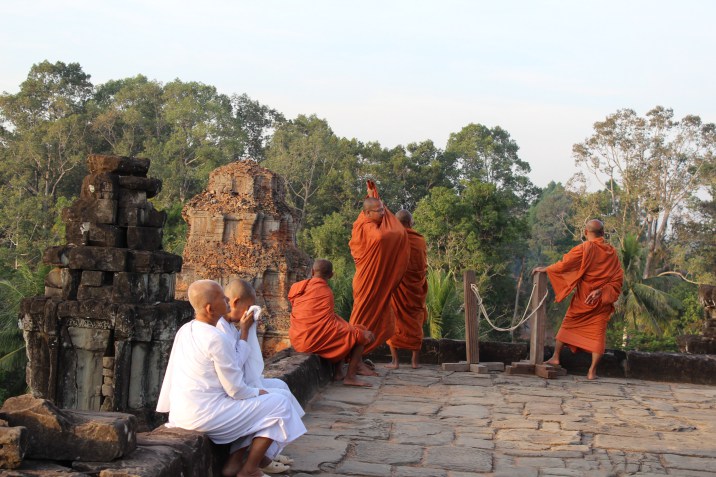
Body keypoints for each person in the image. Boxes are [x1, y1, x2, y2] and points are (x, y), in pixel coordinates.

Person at [157, 280, 306, 477]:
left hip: (182, 413)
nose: (227, 301)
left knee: (267, 401)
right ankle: (250, 470)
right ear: (210, 308)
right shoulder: (215, 337)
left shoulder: (186, 329)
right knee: (279, 403)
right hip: (205, 415)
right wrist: (259, 392)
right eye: (222, 298)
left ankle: (237, 464)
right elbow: (235, 389)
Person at [218, 279, 304, 474]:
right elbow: (236, 368)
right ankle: (250, 465)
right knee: (278, 402)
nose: (250, 312)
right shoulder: (218, 330)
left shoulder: (230, 324)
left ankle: (260, 455)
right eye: (248, 307)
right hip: (224, 394)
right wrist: (246, 330)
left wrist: (244, 328)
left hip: (233, 386)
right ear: (235, 302)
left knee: (280, 387)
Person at [533, 219, 624, 380]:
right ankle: (592, 371)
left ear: (585, 232)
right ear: (602, 233)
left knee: (568, 323)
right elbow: (617, 278)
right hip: (601, 300)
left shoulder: (585, 248)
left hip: (584, 298)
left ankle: (555, 357)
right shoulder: (611, 251)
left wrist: (547, 269)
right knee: (598, 334)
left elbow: (564, 265)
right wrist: (601, 291)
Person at [349, 180, 410, 375]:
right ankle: (353, 361)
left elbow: (388, 223)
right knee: (361, 320)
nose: (384, 214)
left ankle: (358, 358)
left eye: (383, 210)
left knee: (372, 320)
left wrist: (373, 194)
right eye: (379, 212)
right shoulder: (367, 227)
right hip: (368, 281)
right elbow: (386, 236)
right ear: (367, 213)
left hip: (374, 280)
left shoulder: (366, 219)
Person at [288, 259, 375, 387]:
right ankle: (350, 377)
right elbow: (323, 319)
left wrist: (349, 328)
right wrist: (354, 331)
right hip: (311, 340)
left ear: (312, 272)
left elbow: (314, 315)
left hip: (297, 338)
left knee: (349, 330)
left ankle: (339, 372)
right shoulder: (326, 291)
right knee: (360, 335)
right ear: (331, 275)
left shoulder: (297, 287)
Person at [386, 210, 428, 369]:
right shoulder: (419, 240)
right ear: (410, 222)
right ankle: (415, 362)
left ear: (397, 223)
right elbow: (422, 265)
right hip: (415, 287)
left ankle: (395, 362)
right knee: (415, 322)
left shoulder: (393, 238)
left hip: (397, 287)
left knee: (394, 320)